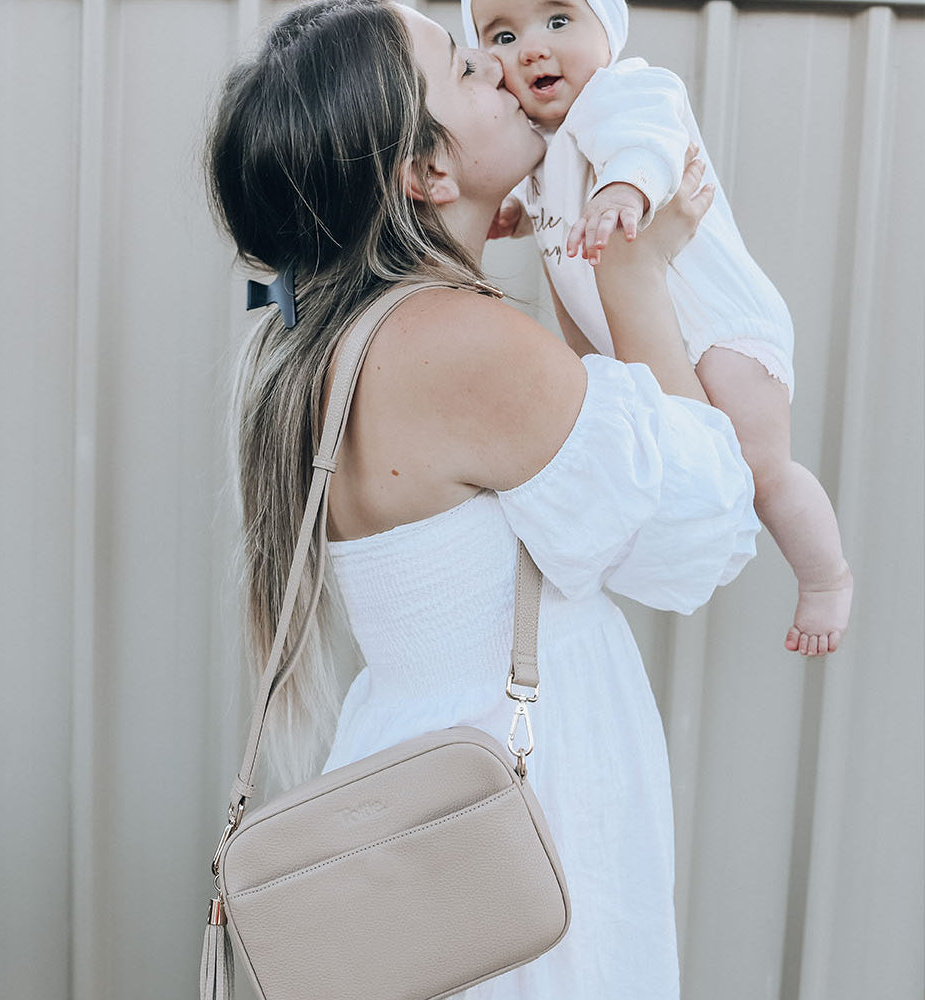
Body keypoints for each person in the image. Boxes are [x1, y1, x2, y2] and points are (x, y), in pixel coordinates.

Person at [204, 1, 760, 996]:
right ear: (425, 174)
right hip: (513, 805)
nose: (506, 72)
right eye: (468, 68)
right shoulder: (460, 343)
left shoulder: (348, 338)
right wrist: (634, 281)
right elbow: (706, 525)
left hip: (426, 787)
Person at [461, 0, 853, 655]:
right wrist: (515, 215)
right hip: (649, 337)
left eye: (558, 21)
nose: (531, 47)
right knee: (673, 458)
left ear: (608, 35)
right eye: (503, 35)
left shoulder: (627, 90)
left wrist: (625, 191)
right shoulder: (541, 142)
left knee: (759, 471)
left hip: (721, 327)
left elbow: (650, 145)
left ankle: (826, 577)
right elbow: (551, 199)